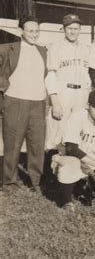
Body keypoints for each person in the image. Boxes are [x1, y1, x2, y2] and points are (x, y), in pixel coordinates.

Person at [0, 15, 47, 192]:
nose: (34, 34)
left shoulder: (42, 51)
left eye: (37, 31)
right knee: (12, 142)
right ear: (21, 31)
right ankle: (9, 182)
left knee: (37, 143)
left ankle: (35, 181)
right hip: (15, 100)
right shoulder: (8, 48)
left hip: (38, 102)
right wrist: (3, 85)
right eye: (30, 31)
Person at [45, 14, 90, 151]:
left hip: (81, 94)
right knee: (56, 133)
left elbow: (87, 75)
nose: (73, 32)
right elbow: (51, 75)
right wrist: (55, 101)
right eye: (70, 28)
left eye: (76, 28)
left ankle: (73, 167)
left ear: (80, 29)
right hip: (64, 92)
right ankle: (48, 169)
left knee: (76, 132)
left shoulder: (85, 49)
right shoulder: (55, 47)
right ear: (64, 29)